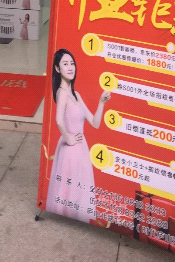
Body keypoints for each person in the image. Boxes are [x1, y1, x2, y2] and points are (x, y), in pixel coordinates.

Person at [46, 48, 111, 223]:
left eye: (72, 63)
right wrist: (68, 138)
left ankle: (72, 219)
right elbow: (58, 120)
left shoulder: (76, 95)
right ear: (57, 68)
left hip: (81, 149)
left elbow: (95, 123)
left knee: (77, 189)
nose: (70, 67)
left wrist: (101, 103)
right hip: (70, 150)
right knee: (68, 189)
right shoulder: (62, 92)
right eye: (65, 64)